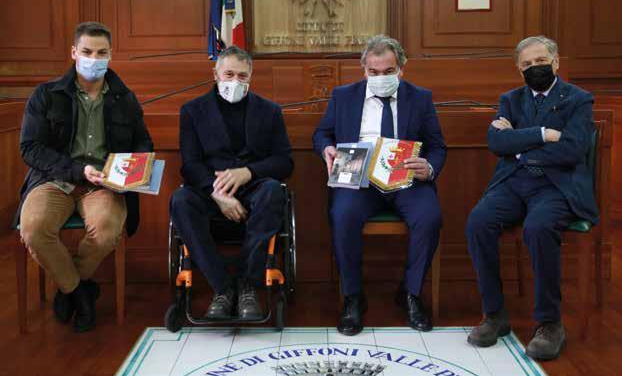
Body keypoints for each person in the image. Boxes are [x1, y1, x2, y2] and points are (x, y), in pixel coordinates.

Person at [466, 35, 597, 360]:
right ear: (518, 69)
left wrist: (521, 149)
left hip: (556, 184)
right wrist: (542, 135)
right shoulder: (510, 100)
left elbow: (573, 149)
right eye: (527, 64)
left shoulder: (578, 99)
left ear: (556, 62)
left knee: (538, 228)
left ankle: (550, 324)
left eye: (540, 61)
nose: (534, 68)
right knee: (478, 222)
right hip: (513, 182)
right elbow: (497, 143)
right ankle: (495, 315)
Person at [18, 21, 153, 332]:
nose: (94, 58)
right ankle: (79, 290)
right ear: (73, 52)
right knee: (34, 229)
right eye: (87, 51)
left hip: (103, 185)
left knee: (106, 231)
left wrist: (135, 168)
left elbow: (142, 142)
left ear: (110, 54)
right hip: (54, 180)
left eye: (102, 52)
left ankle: (69, 286)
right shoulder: (46, 95)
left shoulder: (125, 98)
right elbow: (30, 148)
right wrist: (78, 170)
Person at [312, 35, 447, 336]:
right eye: (373, 72)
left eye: (388, 71)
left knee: (429, 217)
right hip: (357, 176)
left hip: (406, 178)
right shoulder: (343, 96)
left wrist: (429, 167)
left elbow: (437, 146)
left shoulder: (420, 97)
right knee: (343, 215)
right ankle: (353, 297)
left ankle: (411, 293)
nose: (380, 77)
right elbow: (322, 133)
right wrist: (327, 149)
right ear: (364, 70)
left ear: (401, 69)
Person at [170, 46, 293, 321]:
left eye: (242, 76)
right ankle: (223, 288)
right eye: (229, 74)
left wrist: (248, 172)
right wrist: (217, 194)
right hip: (209, 190)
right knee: (180, 201)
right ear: (215, 74)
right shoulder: (192, 111)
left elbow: (285, 162)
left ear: (250, 76)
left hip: (254, 188)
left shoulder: (270, 111)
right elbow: (190, 164)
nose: (235, 81)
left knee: (273, 192)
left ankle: (248, 285)